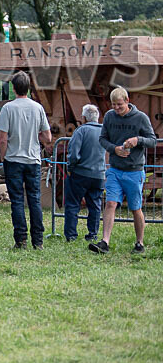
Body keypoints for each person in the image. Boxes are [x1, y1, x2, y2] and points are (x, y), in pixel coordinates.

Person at [90, 87, 156, 255]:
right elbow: (102, 139)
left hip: (134, 171)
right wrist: (114, 149)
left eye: (119, 104)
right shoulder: (110, 117)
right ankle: (104, 242)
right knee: (111, 203)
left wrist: (137, 140)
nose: (116, 108)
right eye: (113, 105)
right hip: (115, 169)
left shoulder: (141, 118)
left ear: (127, 100)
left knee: (135, 208)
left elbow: (152, 140)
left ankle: (139, 243)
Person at [0, 71, 52, 250]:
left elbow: (3, 138)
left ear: (13, 88)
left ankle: (21, 239)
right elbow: (48, 137)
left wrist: (3, 156)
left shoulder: (8, 108)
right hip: (33, 160)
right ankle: (38, 240)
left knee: (17, 201)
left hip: (14, 159)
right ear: (29, 88)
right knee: (34, 200)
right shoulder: (38, 108)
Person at [64, 104, 106, 243]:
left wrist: (70, 167)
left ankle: (71, 235)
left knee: (73, 204)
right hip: (99, 174)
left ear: (83, 117)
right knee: (95, 205)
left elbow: (74, 154)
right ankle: (92, 234)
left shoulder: (81, 131)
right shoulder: (104, 132)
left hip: (80, 174)